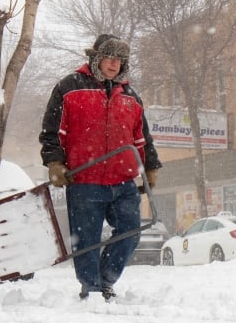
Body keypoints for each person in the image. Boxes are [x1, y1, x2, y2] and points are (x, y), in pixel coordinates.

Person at [39, 34, 162, 301]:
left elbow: (142, 137)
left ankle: (106, 280)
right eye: (109, 57)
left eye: (120, 59)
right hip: (85, 179)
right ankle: (92, 288)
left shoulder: (130, 96)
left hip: (122, 180)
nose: (114, 64)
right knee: (87, 242)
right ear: (95, 57)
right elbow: (52, 132)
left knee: (130, 234)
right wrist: (55, 161)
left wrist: (150, 167)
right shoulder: (69, 88)